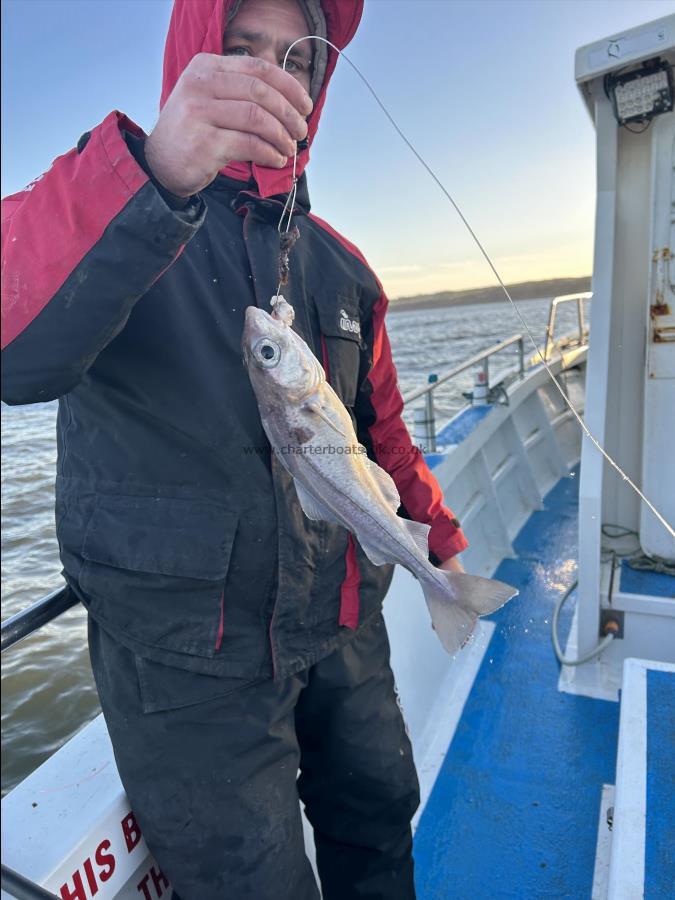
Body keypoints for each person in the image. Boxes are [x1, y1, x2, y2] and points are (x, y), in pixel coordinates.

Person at [1, 0, 468, 897]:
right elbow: (14, 351)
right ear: (191, 60)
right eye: (240, 48)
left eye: (297, 59)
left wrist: (436, 537)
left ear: (316, 93)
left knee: (378, 819)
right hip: (187, 664)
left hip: (339, 618)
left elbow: (380, 433)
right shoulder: (115, 205)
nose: (269, 75)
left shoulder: (343, 269)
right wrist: (157, 171)